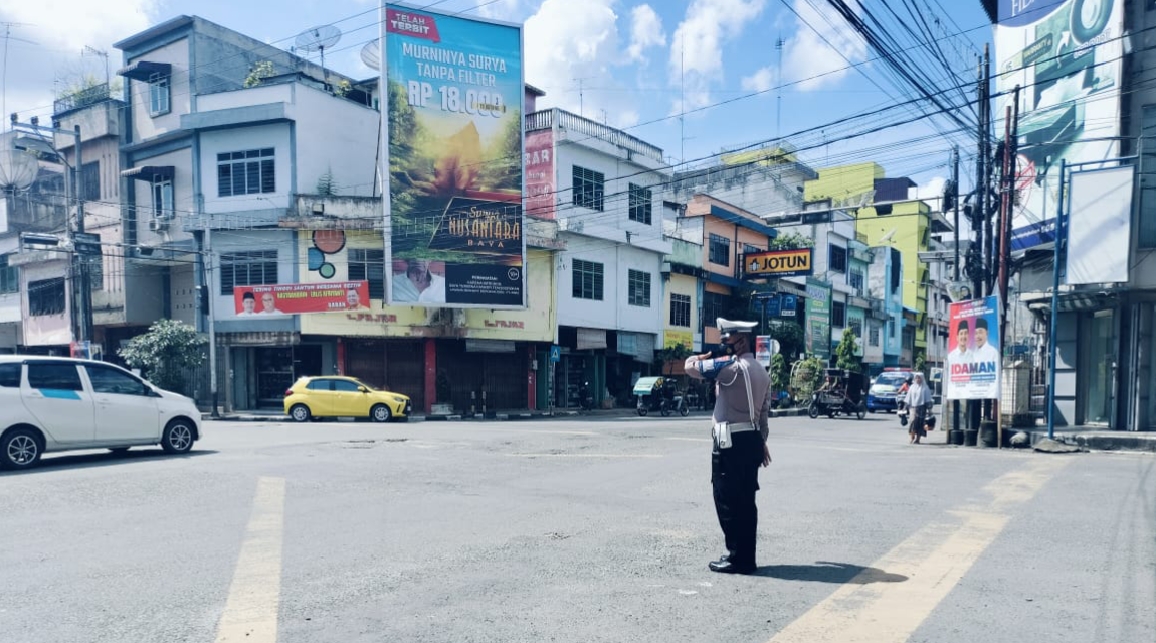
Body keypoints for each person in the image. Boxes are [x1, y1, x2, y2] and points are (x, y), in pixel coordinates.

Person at [685, 318, 771, 575]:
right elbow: (764, 414)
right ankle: (746, 555)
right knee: (746, 500)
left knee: (726, 498)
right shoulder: (761, 371)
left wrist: (701, 356)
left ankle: (738, 558)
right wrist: (762, 442)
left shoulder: (730, 369)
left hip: (729, 441)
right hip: (751, 440)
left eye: (726, 341)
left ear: (740, 341)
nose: (723, 347)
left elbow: (690, 367)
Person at [904, 372, 933, 444]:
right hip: (913, 407)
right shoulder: (912, 387)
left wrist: (929, 409)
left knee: (920, 423)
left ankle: (918, 439)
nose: (918, 379)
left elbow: (928, 399)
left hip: (922, 407)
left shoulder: (925, 388)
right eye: (916, 378)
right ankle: (912, 437)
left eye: (919, 378)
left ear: (922, 378)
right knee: (913, 421)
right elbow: (908, 397)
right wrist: (905, 407)